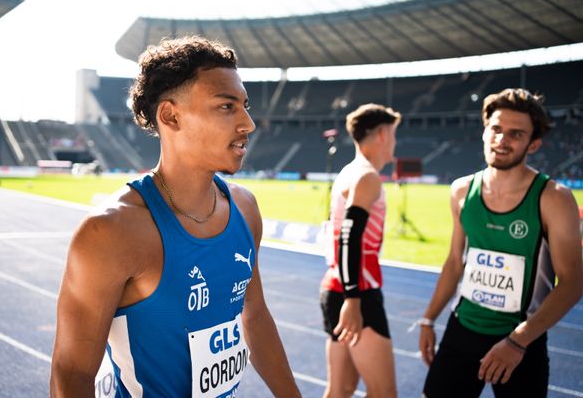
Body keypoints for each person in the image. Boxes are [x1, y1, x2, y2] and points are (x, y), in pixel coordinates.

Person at [50, 36, 302, 398]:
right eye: (227, 107)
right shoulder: (111, 232)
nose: (248, 123)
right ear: (171, 115)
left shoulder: (245, 209)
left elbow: (255, 314)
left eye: (245, 106)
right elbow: (71, 374)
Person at [419, 88, 583, 398]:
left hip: (521, 338)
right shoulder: (461, 191)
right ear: (484, 131)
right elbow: (455, 262)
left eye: (515, 134)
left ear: (533, 144)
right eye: (495, 129)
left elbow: (573, 282)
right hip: (461, 330)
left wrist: (518, 341)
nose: (501, 139)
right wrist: (429, 318)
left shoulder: (554, 199)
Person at [320, 103, 401, 398]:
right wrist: (353, 298)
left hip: (336, 285)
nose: (394, 143)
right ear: (381, 134)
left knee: (339, 391)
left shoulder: (347, 172)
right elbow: (349, 236)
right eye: (393, 135)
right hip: (357, 293)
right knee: (384, 393)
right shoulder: (367, 176)